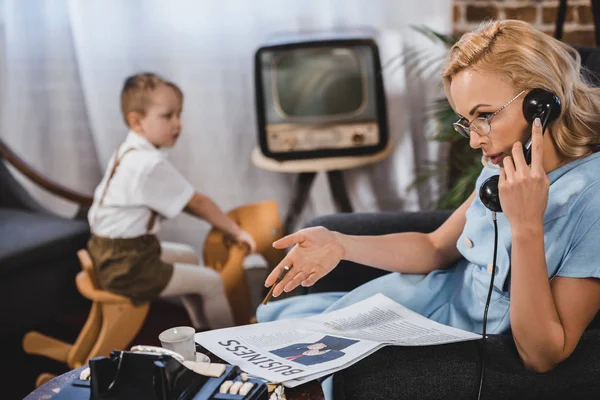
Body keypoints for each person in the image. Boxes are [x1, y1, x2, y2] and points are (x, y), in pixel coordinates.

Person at [257, 17, 600, 384]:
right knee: (286, 344)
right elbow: (435, 247)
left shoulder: (591, 199)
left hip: (471, 342)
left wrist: (526, 226)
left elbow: (542, 356)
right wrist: (340, 244)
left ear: (541, 102)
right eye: (468, 121)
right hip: (428, 303)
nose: (474, 141)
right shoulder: (506, 160)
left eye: (485, 115)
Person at [87, 72, 256, 330]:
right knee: (211, 282)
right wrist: (236, 231)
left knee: (187, 255)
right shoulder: (148, 164)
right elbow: (198, 203)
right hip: (127, 265)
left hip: (112, 251)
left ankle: (201, 328)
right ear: (136, 121)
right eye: (168, 116)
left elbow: (186, 202)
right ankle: (227, 342)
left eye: (179, 114)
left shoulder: (131, 149)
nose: (178, 124)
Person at [270, 336, 358, 366]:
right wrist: (321, 352)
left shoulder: (273, 354)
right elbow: (339, 355)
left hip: (323, 340)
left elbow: (290, 347)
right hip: (337, 346)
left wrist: (308, 346)